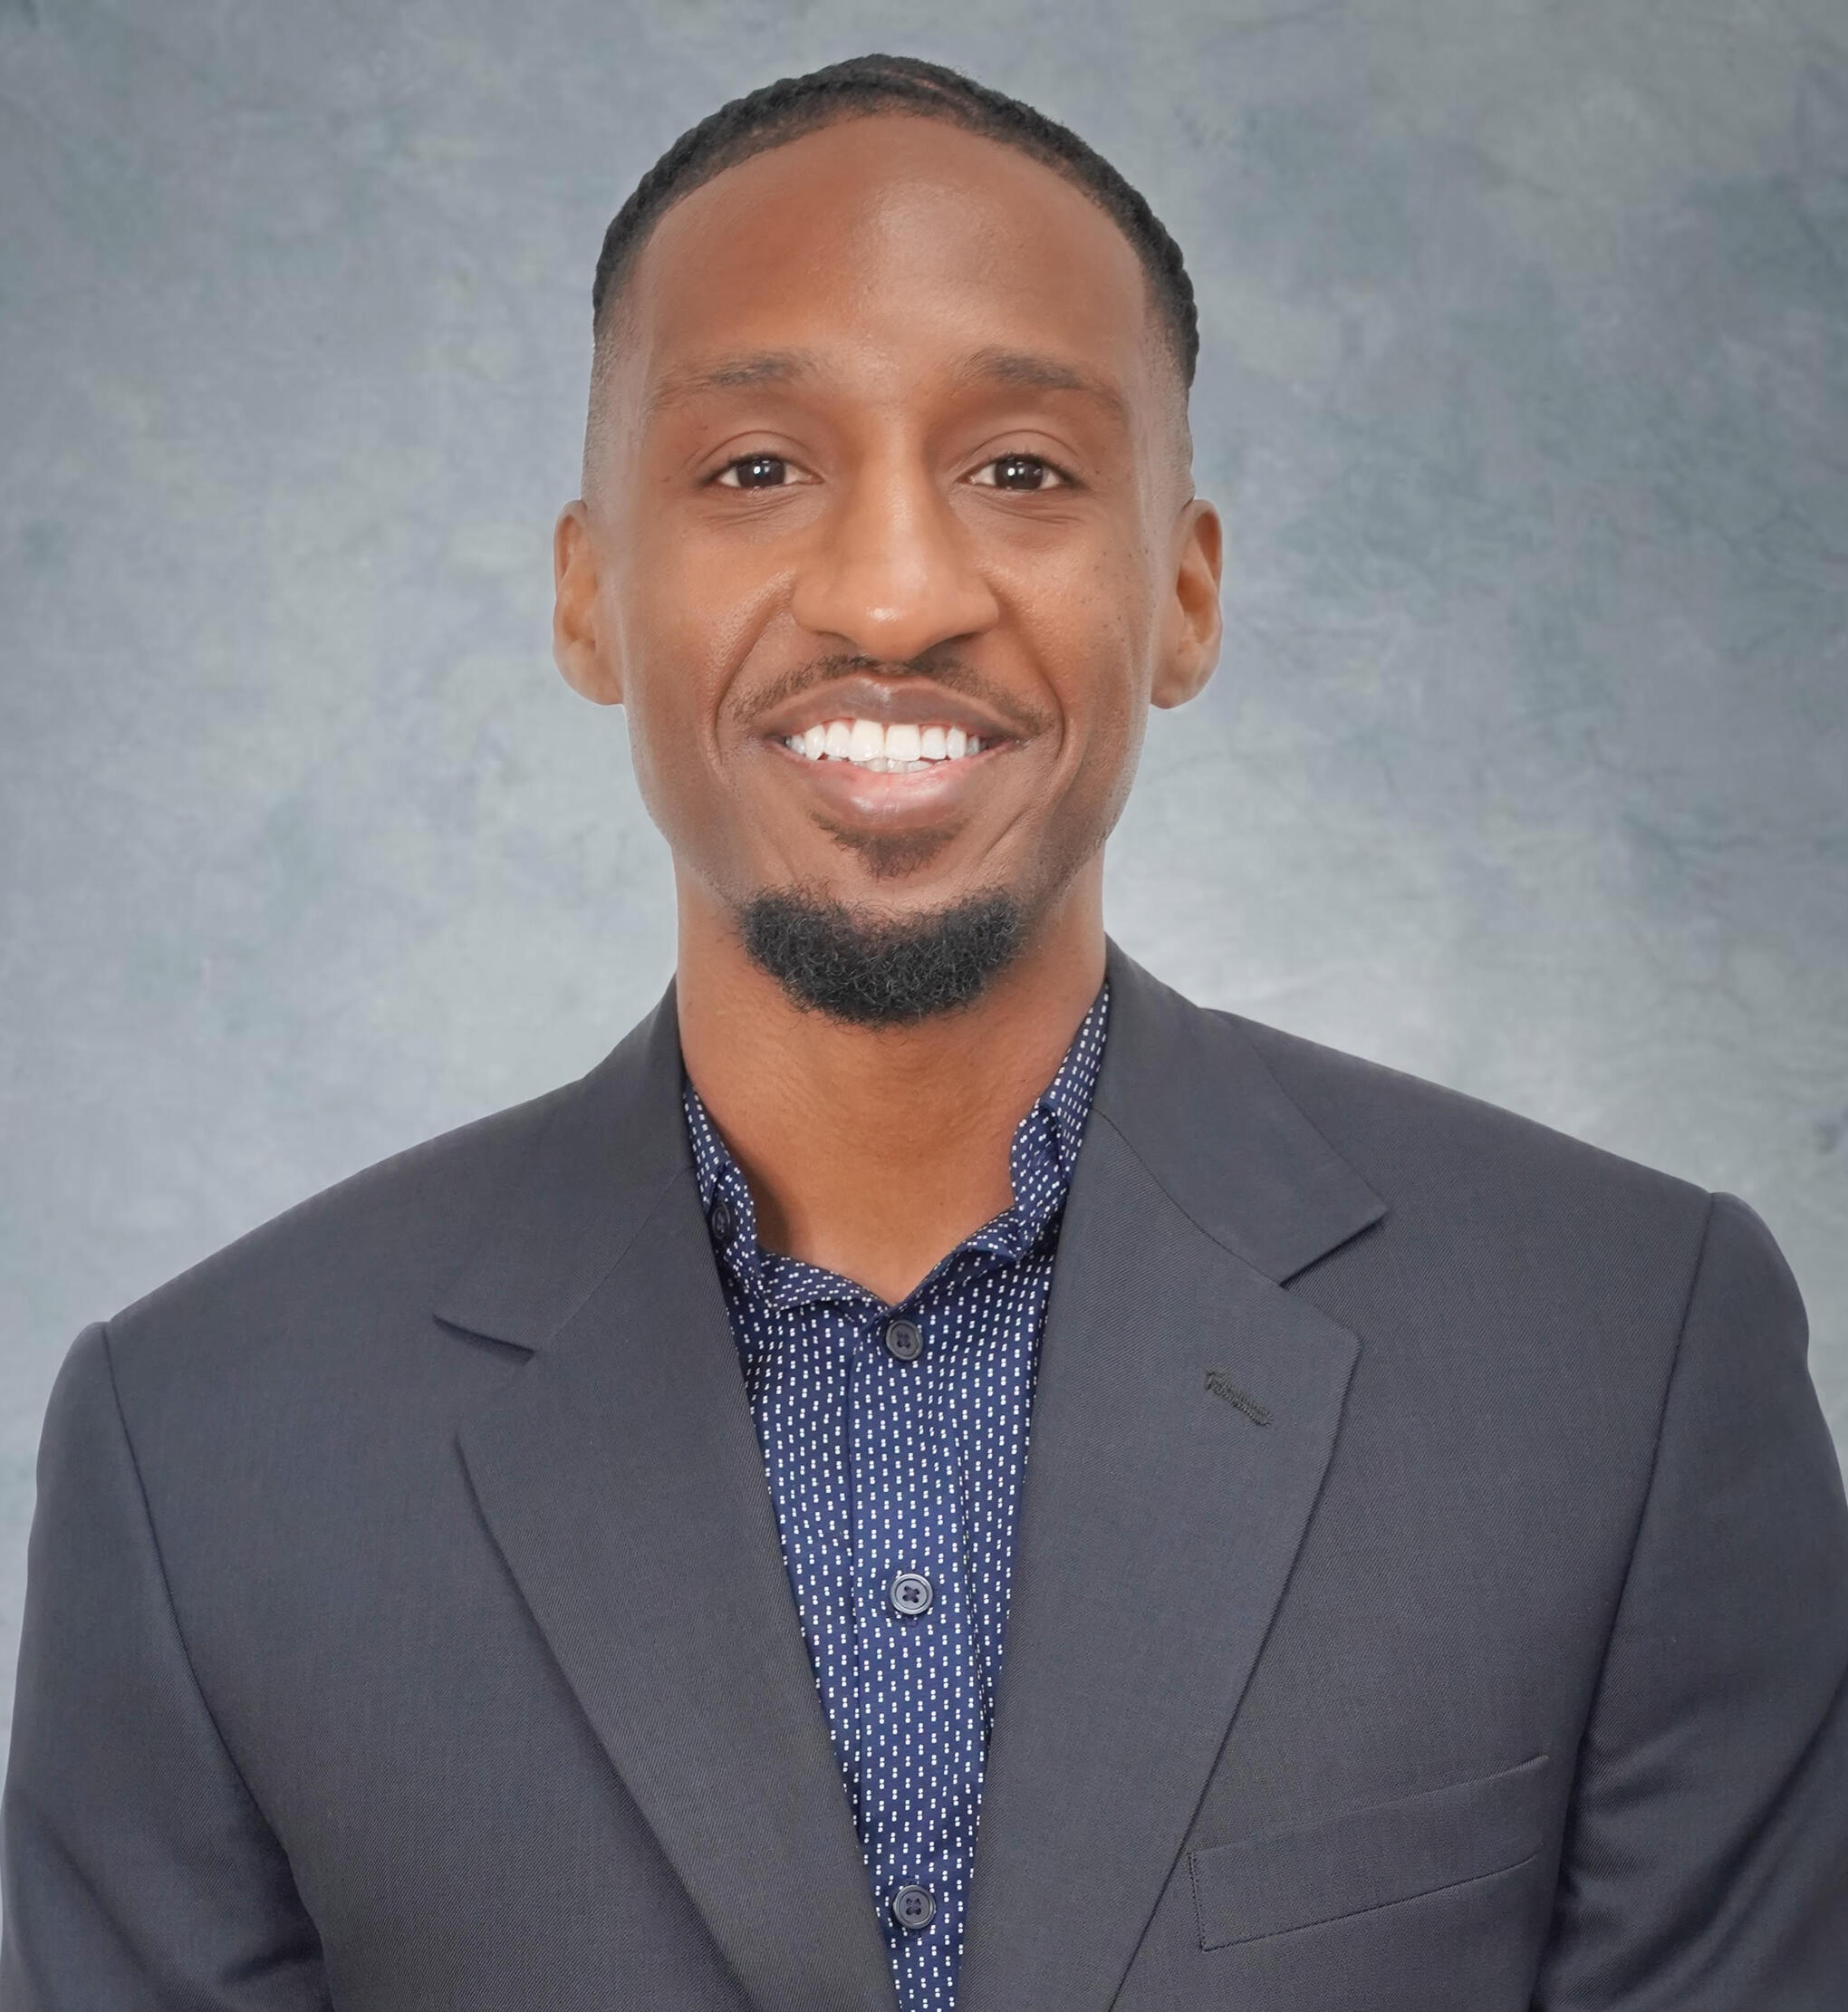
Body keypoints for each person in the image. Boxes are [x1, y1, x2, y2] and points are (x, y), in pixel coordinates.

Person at [5, 51, 1844, 2012]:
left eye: (1022, 470)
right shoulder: (205, 1458)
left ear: (1185, 595)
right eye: (756, 468)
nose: (893, 596)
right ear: (590, 597)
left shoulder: (1623, 1362)